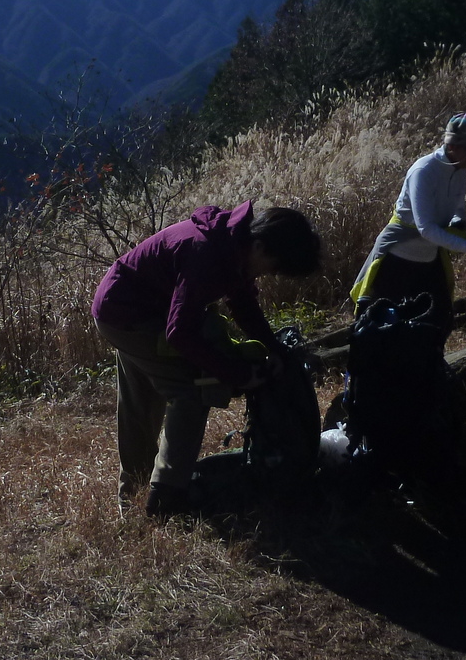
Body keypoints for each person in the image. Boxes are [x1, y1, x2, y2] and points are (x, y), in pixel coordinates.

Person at [92, 203, 321, 517]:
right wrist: (237, 374)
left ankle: (134, 494)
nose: (267, 274)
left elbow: (242, 303)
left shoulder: (234, 243)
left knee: (141, 400)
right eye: (272, 267)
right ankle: (166, 496)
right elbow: (179, 334)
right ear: (260, 246)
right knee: (190, 390)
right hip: (125, 315)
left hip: (132, 305)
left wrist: (276, 348)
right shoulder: (209, 254)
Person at [349, 112, 466, 330]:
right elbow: (425, 228)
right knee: (383, 329)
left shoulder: (460, 172)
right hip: (397, 263)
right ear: (452, 146)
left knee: (439, 323)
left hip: (430, 261)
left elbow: (458, 210)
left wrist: (463, 228)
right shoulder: (424, 171)